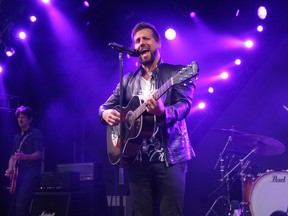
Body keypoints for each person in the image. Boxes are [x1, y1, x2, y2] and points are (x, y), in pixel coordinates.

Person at [99, 22, 197, 215]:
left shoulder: (176, 73)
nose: (141, 43)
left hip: (169, 158)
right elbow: (104, 106)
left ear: (158, 43)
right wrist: (104, 113)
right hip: (136, 159)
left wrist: (163, 112)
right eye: (137, 41)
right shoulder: (127, 80)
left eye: (146, 39)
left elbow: (184, 105)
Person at [4, 105, 43, 216]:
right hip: (18, 177)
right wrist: (10, 169)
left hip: (31, 176)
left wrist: (24, 157)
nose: (20, 119)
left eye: (23, 117)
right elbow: (12, 157)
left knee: (21, 206)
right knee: (15, 206)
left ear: (30, 119)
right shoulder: (16, 137)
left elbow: (38, 154)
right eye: (19, 117)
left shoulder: (35, 133)